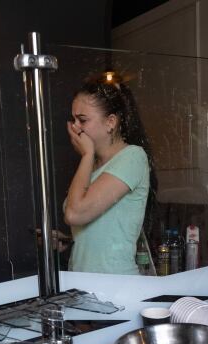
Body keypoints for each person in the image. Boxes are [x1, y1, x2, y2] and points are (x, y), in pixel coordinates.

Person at [64, 76, 156, 274]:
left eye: (83, 120)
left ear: (110, 122)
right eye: (74, 119)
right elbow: (99, 230)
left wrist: (86, 155)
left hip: (115, 285)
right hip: (83, 284)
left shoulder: (132, 157)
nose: (75, 127)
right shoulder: (92, 164)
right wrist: (66, 241)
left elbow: (74, 213)